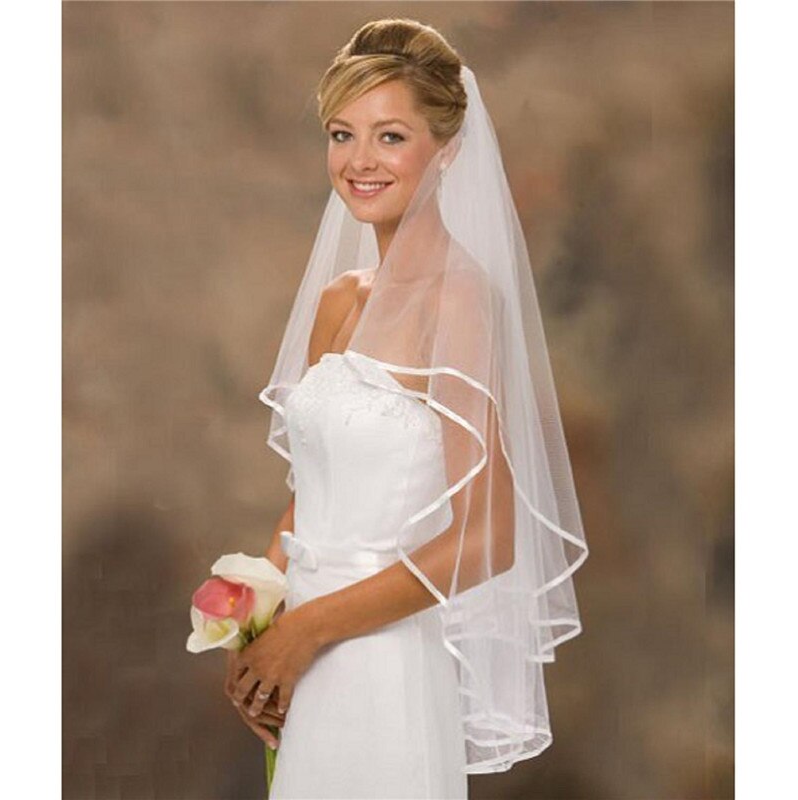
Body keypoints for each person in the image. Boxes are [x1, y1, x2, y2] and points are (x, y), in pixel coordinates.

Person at [225, 17, 588, 799]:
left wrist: (307, 630)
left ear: (447, 148)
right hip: (303, 658)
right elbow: (311, 495)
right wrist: (252, 624)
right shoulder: (339, 300)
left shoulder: (460, 301)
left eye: (390, 136)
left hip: (381, 663)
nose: (359, 161)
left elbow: (487, 539)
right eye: (342, 134)